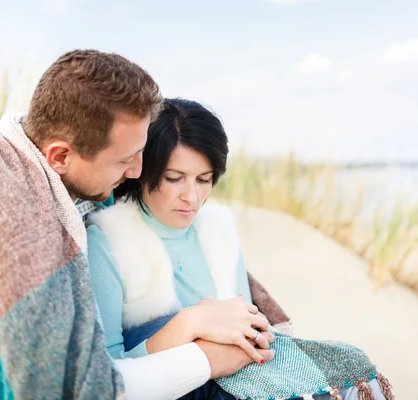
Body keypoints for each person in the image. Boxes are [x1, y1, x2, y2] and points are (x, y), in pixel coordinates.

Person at [0, 50, 274, 400]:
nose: (136, 172)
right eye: (123, 160)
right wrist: (205, 356)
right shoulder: (23, 244)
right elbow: (79, 391)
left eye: (142, 153)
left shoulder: (39, 164)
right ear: (60, 156)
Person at [87, 98, 395, 400]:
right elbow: (108, 369)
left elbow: (249, 328)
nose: (191, 196)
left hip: (244, 378)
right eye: (173, 179)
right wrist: (190, 323)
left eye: (204, 180)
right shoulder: (111, 240)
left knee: (356, 371)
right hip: (178, 385)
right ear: (143, 172)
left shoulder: (217, 231)